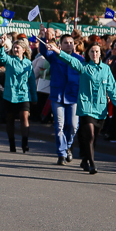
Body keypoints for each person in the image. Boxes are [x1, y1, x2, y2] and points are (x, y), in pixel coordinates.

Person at [46, 39, 116, 174]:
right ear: (88, 53)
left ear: (101, 53)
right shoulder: (83, 66)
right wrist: (56, 50)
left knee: (93, 138)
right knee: (90, 135)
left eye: (97, 52)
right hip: (86, 106)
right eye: (92, 52)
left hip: (100, 108)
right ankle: (92, 164)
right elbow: (70, 60)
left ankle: (85, 159)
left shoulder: (106, 69)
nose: (94, 54)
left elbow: (111, 87)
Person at [39, 27, 84, 165]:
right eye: (66, 43)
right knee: (59, 126)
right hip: (57, 95)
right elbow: (43, 51)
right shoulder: (54, 56)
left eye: (71, 43)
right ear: (60, 44)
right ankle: (61, 154)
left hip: (73, 96)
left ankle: (68, 146)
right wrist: (43, 37)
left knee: (73, 126)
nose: (69, 45)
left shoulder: (79, 59)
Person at [0, 34, 35, 153]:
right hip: (10, 95)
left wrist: (34, 97)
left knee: (24, 117)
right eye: (14, 48)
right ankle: (12, 143)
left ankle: (25, 142)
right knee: (10, 120)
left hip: (24, 95)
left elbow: (32, 81)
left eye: (18, 48)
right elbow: (2, 57)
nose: (16, 49)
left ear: (24, 50)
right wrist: (1, 45)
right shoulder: (10, 60)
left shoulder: (28, 63)